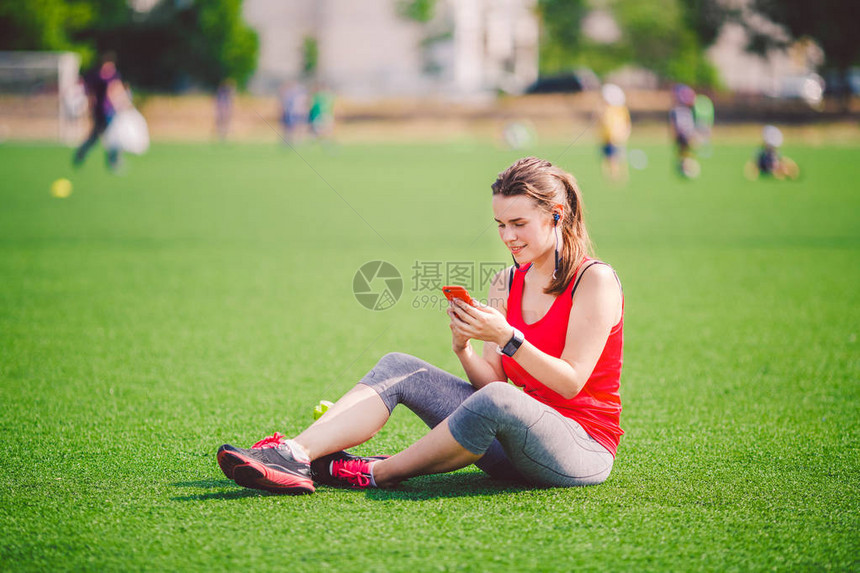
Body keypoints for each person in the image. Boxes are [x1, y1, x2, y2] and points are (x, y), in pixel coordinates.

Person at [216, 157, 625, 494]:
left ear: (556, 217)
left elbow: (571, 383)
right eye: (501, 224)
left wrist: (507, 337)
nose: (508, 237)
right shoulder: (506, 281)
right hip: (514, 443)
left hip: (580, 450)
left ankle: (376, 473)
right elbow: (489, 387)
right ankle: (296, 454)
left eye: (519, 224)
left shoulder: (594, 280)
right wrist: (463, 347)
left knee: (500, 399)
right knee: (399, 365)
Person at [72, 52, 128, 171]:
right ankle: (83, 154)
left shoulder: (111, 75)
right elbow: (105, 92)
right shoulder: (98, 77)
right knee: (104, 136)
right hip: (103, 111)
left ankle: (110, 160)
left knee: (108, 135)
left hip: (108, 111)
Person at [597, 83, 632, 183]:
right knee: (607, 158)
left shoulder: (619, 109)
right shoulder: (605, 109)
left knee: (617, 158)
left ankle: (618, 177)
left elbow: (626, 123)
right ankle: (610, 177)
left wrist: (624, 134)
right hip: (606, 138)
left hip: (616, 138)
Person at [668, 84, 699, 178]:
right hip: (683, 135)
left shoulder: (680, 110)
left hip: (684, 135)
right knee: (684, 154)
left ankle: (686, 168)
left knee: (685, 153)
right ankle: (685, 168)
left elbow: (675, 125)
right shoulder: (682, 110)